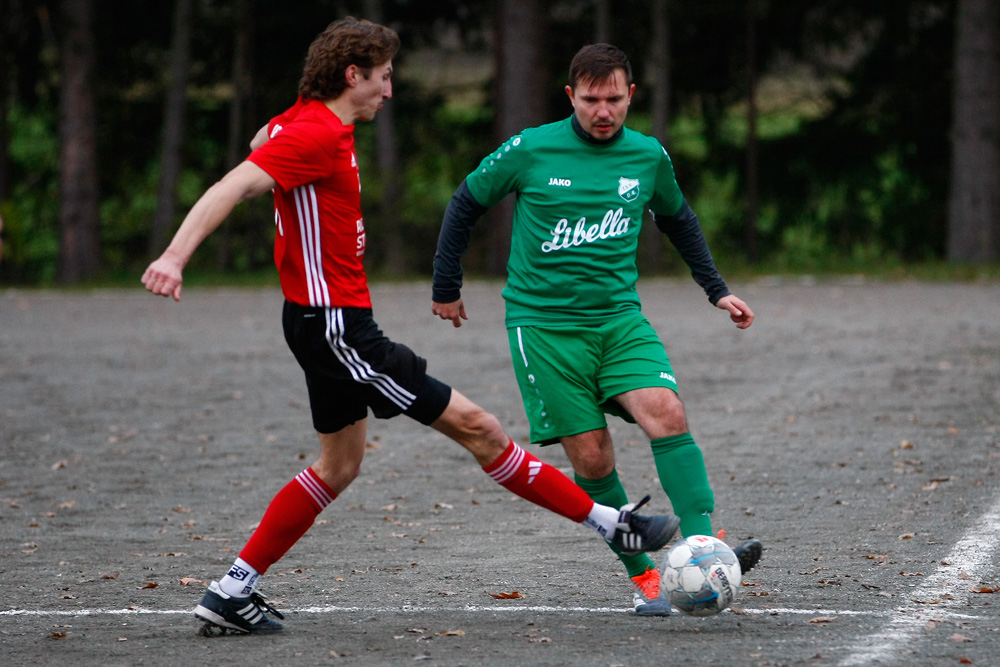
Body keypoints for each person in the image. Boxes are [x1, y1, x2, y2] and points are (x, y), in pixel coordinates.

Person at [142, 20, 680, 635]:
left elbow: (264, 137)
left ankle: (230, 590)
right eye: (384, 77)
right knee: (480, 428)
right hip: (337, 327)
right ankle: (613, 524)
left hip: (316, 321)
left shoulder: (302, 120)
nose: (389, 91)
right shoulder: (317, 133)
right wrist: (174, 256)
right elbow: (236, 184)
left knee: (338, 467)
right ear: (354, 75)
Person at [432, 43, 763, 617]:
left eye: (614, 99)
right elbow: (466, 202)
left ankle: (704, 550)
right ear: (571, 97)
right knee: (593, 461)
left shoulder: (646, 155)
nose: (603, 111)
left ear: (631, 96)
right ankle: (648, 581)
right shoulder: (532, 148)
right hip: (543, 329)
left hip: (618, 319)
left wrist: (717, 289)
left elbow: (679, 220)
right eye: (591, 100)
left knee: (667, 410)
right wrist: (446, 284)